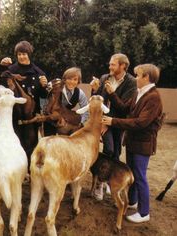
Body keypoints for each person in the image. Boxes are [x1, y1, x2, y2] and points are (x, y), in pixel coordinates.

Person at [102, 63, 163, 223]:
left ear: (146, 77)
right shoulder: (138, 92)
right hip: (132, 142)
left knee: (140, 176)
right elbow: (124, 108)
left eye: (138, 75)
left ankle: (144, 213)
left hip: (143, 144)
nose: (135, 78)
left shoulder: (153, 97)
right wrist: (112, 94)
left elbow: (140, 123)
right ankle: (133, 201)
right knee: (133, 174)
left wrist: (112, 121)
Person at [90, 53, 136, 200]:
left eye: (113, 64)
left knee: (116, 153)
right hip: (103, 122)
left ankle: (109, 181)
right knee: (108, 149)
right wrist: (94, 90)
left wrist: (112, 93)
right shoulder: (105, 78)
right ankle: (99, 184)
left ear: (123, 66)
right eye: (110, 64)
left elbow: (124, 109)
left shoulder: (131, 82)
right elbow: (98, 101)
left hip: (118, 123)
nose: (109, 66)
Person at [0, 40, 48, 160]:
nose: (21, 56)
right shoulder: (10, 70)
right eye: (19, 54)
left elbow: (43, 95)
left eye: (24, 54)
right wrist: (1, 67)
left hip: (31, 117)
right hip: (14, 115)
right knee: (15, 145)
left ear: (29, 54)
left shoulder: (38, 72)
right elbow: (0, 84)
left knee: (31, 146)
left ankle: (30, 172)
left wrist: (44, 86)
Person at [43, 67, 89, 136]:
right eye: (69, 79)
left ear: (78, 81)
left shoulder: (80, 93)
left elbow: (85, 110)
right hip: (50, 120)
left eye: (75, 80)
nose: (72, 82)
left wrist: (80, 123)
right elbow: (44, 101)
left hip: (65, 123)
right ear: (64, 80)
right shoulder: (56, 88)